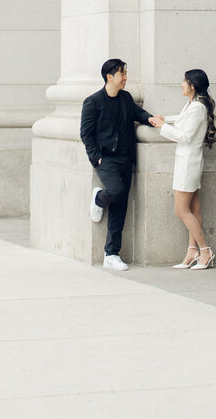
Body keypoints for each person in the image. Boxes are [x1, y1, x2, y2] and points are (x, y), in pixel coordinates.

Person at [80, 58, 161, 271]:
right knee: (115, 192)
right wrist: (96, 157)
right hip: (106, 159)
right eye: (122, 74)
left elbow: (137, 113)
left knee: (120, 207)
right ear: (110, 77)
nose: (125, 78)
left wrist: (150, 119)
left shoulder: (125, 98)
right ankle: (99, 197)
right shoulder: (93, 102)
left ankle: (111, 254)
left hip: (126, 159)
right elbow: (86, 133)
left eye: (125, 73)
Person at [150, 68, 216, 270]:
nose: (181, 84)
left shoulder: (198, 107)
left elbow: (186, 136)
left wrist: (162, 127)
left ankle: (205, 251)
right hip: (188, 162)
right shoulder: (192, 104)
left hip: (189, 163)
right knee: (194, 209)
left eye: (184, 81)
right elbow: (182, 120)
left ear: (192, 86)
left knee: (181, 210)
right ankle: (191, 252)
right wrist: (164, 120)